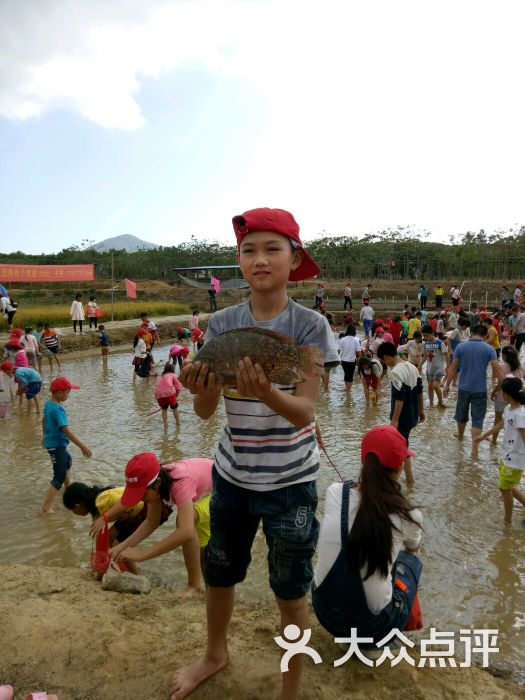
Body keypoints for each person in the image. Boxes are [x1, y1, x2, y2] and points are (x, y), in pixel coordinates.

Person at [174, 207, 339, 700]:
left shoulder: (311, 326)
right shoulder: (222, 322)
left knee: (291, 592)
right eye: (249, 251)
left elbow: (305, 412)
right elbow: (205, 412)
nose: (260, 259)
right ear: (239, 263)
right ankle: (214, 654)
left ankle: (291, 687)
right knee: (219, 574)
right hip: (232, 477)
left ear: (294, 260)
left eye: (273, 249)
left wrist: (265, 391)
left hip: (291, 483)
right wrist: (199, 386)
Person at [312, 425, 423, 642]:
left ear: (364, 461)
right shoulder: (409, 514)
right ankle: (391, 637)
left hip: (325, 612)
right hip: (374, 626)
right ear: (400, 467)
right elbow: (412, 550)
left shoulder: (336, 492)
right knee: (410, 560)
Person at [107, 453, 213, 596]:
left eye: (142, 495)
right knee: (200, 544)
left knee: (186, 523)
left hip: (223, 490)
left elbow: (186, 531)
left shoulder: (181, 482)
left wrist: (141, 555)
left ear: (157, 483)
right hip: (205, 492)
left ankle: (194, 586)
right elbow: (151, 522)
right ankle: (206, 590)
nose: (142, 500)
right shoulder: (158, 483)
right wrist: (121, 547)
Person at [443, 325, 504, 458]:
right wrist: (503, 386)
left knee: (461, 414)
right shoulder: (489, 349)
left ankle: (460, 437)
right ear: (485, 335)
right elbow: (497, 369)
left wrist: (447, 385)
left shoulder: (461, 347)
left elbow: (453, 367)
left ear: (471, 333)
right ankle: (474, 449)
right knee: (477, 419)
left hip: (463, 388)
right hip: (480, 389)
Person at [63, 481, 149, 572]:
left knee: (118, 545)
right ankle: (124, 565)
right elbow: (99, 536)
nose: (74, 513)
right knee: (110, 537)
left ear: (77, 506)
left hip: (142, 510)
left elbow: (127, 501)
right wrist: (98, 559)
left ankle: (135, 573)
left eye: (72, 510)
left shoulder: (101, 503)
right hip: (128, 514)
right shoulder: (95, 506)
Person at [475, 378, 525, 524]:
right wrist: (484, 435)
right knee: (507, 485)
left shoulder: (520, 415)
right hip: (508, 454)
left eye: (502, 392)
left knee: (504, 487)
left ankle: (507, 520)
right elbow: (501, 425)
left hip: (517, 458)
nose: (501, 395)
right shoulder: (509, 409)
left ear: (507, 395)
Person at [41, 376, 92, 514]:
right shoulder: (57, 409)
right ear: (59, 393)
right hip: (57, 445)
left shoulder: (48, 404)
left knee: (67, 462)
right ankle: (46, 508)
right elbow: (66, 430)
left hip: (52, 443)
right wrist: (82, 446)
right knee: (58, 476)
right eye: (68, 392)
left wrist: (44, 436)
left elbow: (43, 420)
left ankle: (68, 489)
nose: (68, 395)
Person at [377, 342, 425, 486]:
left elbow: (399, 397)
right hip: (413, 413)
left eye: (384, 361)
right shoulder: (411, 366)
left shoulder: (396, 371)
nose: (385, 364)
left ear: (386, 357)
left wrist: (394, 420)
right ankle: (407, 478)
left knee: (401, 447)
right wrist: (422, 410)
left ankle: (409, 479)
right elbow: (420, 390)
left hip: (402, 416)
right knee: (403, 443)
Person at [489, 345, 525, 444]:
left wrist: (493, 392)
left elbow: (500, 383)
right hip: (516, 398)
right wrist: (522, 390)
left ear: (504, 356)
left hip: (502, 396)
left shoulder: (501, 366)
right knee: (515, 421)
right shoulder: (521, 367)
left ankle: (493, 441)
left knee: (497, 421)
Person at [421, 325, 450, 407]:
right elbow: (425, 356)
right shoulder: (426, 343)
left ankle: (441, 401)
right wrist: (419, 365)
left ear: (432, 333)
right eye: (424, 336)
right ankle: (431, 404)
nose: (425, 337)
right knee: (430, 386)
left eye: (427, 335)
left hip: (439, 368)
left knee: (435, 385)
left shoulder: (440, 343)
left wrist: (448, 366)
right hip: (429, 369)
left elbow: (446, 354)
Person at [155, 363, 182, 428]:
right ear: (172, 369)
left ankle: (165, 425)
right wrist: (176, 396)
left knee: (164, 409)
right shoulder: (173, 375)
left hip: (158, 395)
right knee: (175, 408)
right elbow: (178, 388)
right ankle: (178, 424)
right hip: (169, 394)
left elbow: (157, 387)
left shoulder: (160, 376)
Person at [339, 324, 361, 392]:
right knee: (350, 376)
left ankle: (347, 389)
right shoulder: (356, 340)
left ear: (347, 330)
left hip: (343, 361)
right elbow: (359, 353)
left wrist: (338, 359)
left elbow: (339, 351)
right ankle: (348, 392)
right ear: (354, 331)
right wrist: (358, 362)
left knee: (346, 374)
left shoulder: (342, 339)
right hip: (351, 361)